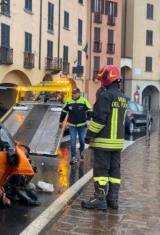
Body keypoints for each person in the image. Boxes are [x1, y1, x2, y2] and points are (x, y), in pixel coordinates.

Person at [81, 65, 127, 211]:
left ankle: (99, 199)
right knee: (115, 171)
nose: (101, 83)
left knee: (101, 170)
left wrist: (89, 135)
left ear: (107, 79)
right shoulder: (122, 97)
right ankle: (112, 199)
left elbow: (100, 119)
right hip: (118, 142)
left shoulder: (105, 95)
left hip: (103, 141)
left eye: (102, 80)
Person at [59, 87, 93, 164]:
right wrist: (61, 122)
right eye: (72, 93)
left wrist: (88, 120)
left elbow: (89, 110)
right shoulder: (68, 101)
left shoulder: (84, 101)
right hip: (72, 125)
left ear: (79, 93)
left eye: (75, 93)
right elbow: (64, 112)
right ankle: (74, 157)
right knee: (73, 141)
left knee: (81, 139)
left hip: (82, 124)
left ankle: (81, 152)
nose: (73, 95)